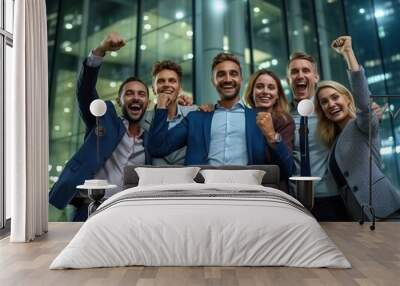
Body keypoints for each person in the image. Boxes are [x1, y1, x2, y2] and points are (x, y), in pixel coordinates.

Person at [49, 32, 151, 221]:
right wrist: (100, 51)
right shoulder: (104, 120)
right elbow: (85, 91)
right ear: (119, 101)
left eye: (141, 94)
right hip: (91, 210)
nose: (136, 97)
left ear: (147, 102)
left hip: (129, 214)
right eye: (129, 93)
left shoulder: (151, 139)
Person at [148, 52, 293, 179]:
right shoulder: (196, 118)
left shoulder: (259, 120)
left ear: (241, 79)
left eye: (233, 73)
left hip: (248, 193)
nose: (228, 79)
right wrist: (161, 108)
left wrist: (273, 137)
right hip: (203, 194)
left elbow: (287, 170)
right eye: (221, 74)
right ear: (213, 81)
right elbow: (158, 147)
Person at [287, 50, 383, 220]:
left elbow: (361, 119)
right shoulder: (283, 118)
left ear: (315, 77)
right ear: (289, 79)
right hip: (296, 202)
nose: (299, 75)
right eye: (294, 72)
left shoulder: (331, 113)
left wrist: (371, 114)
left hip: (336, 198)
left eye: (306, 70)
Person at [314, 35, 400, 220]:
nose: (331, 104)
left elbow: (363, 101)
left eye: (335, 97)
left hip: (386, 210)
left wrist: (348, 53)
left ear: (347, 98)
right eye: (324, 102)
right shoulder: (335, 141)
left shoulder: (363, 124)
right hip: (361, 218)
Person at [141, 60, 197, 165]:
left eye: (172, 81)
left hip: (187, 178)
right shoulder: (142, 119)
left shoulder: (193, 113)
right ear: (153, 88)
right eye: (161, 81)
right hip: (154, 178)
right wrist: (161, 106)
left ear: (180, 88)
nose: (167, 84)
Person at [244, 69, 295, 152]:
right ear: (251, 92)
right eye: (259, 87)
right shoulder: (243, 117)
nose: (265, 91)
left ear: (278, 94)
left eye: (271, 88)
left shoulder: (285, 121)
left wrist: (272, 135)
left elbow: (287, 163)